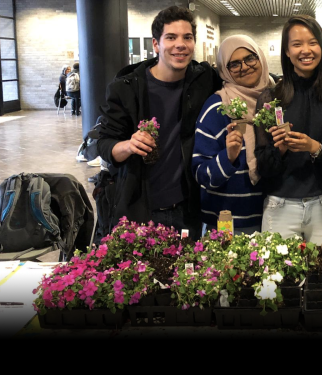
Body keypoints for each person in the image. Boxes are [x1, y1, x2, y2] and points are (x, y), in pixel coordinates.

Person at [96, 5, 221, 240]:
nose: (180, 44)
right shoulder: (126, 88)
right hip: (140, 209)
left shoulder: (204, 80)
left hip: (187, 209)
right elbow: (103, 145)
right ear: (156, 44)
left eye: (187, 37)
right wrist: (128, 145)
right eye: (171, 37)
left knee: (188, 275)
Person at [254, 15, 322, 245]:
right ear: (287, 51)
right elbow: (263, 167)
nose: (305, 50)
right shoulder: (270, 99)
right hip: (280, 206)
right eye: (297, 44)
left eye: (312, 42)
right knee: (275, 280)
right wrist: (281, 149)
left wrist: (314, 147)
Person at [192, 35, 274, 235]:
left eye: (250, 58)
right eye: (234, 64)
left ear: (260, 57)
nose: (244, 67)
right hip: (228, 225)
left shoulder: (276, 100)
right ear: (224, 71)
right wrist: (228, 157)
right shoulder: (218, 108)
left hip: (274, 218)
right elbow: (200, 173)